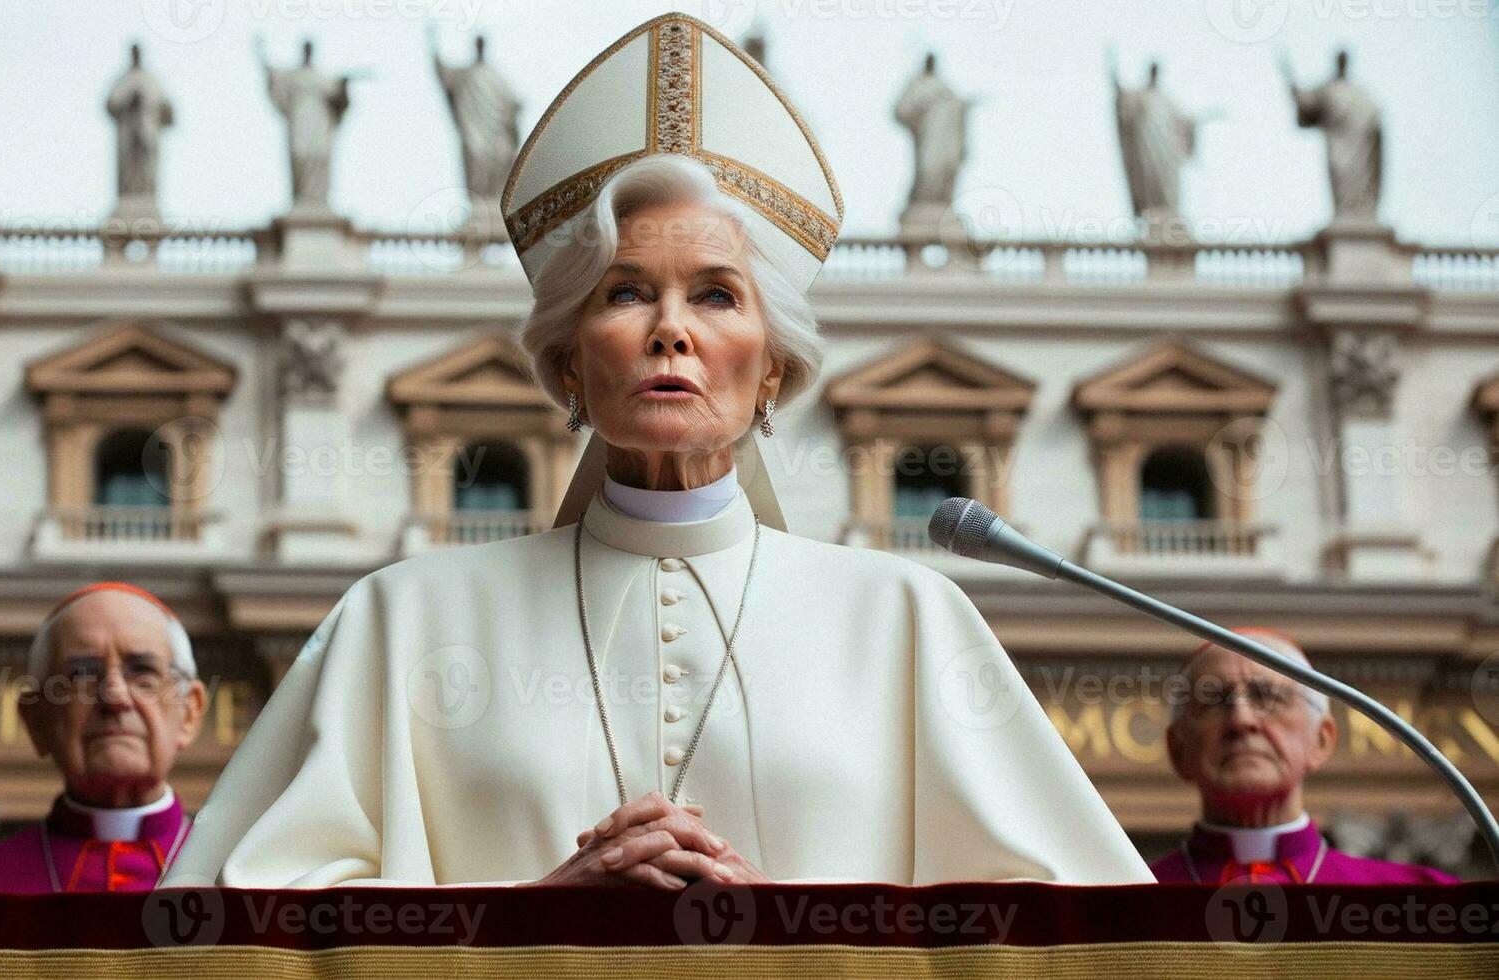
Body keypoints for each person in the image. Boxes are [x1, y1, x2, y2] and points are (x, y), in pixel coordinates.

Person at [163, 12, 1151, 891]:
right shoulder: (401, 616)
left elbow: (1071, 932)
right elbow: (234, 920)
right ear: (565, 363)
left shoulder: (906, 618)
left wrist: (800, 933)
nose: (669, 329)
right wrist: (531, 921)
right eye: (625, 291)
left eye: (716, 294)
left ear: (773, 367)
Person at [0, 583, 206, 892]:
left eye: (143, 671)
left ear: (190, 713)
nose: (115, 696)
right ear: (36, 722)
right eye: (81, 673)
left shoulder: (243, 887)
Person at [1150, 627, 1457, 884]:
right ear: (1178, 751)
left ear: (1321, 739)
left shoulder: (1417, 901)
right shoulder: (1124, 905)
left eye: (1267, 696)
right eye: (1213, 701)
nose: (1242, 720)